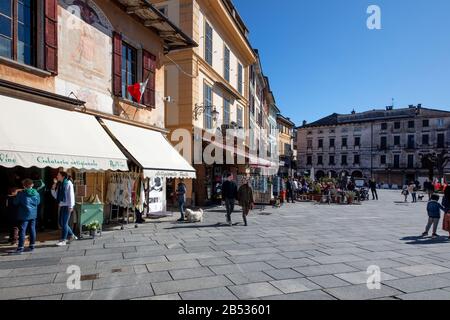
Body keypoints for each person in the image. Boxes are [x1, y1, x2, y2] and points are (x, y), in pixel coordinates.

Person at [11, 179, 40, 254]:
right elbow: (38, 202)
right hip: (33, 214)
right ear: (32, 185)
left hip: (24, 214)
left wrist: (16, 194)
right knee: (32, 229)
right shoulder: (36, 192)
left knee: (23, 230)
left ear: (24, 186)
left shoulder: (21, 193)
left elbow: (15, 203)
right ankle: (32, 246)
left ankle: (20, 248)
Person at [51, 172, 77, 246]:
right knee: (62, 223)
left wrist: (71, 206)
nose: (57, 176)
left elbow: (71, 195)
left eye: (58, 175)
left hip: (67, 206)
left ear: (63, 176)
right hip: (62, 205)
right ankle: (72, 235)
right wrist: (53, 188)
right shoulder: (60, 184)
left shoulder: (68, 183)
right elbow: (56, 196)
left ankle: (63, 240)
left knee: (64, 223)